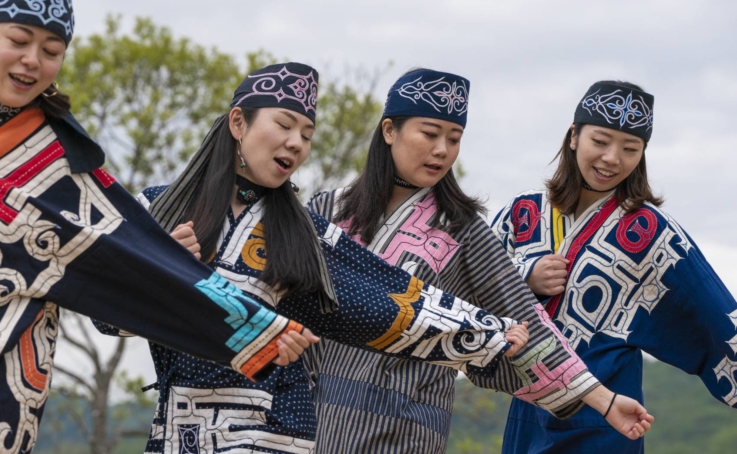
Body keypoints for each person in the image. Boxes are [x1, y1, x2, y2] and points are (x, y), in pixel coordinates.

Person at [0, 0, 316, 453]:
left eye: (51, 51)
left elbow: (140, 262)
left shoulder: (64, 164)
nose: (31, 61)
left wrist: (260, 330)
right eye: (18, 41)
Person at [96, 62, 539, 454]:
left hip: (273, 431)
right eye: (285, 125)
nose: (296, 143)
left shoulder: (303, 230)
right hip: (177, 431)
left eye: (306, 135)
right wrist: (160, 271)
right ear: (238, 122)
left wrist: (486, 334)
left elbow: (382, 300)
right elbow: (105, 314)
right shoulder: (155, 210)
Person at [306, 68, 653, 453]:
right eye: (430, 133)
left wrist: (603, 400)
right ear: (390, 130)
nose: (442, 150)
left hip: (406, 425)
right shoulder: (324, 211)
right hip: (316, 417)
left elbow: (529, 321)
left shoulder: (463, 231)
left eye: (454, 139)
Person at [491, 80, 737, 453]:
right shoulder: (522, 214)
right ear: (573, 136)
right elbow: (464, 284)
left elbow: (714, 315)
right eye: (600, 141)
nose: (612, 158)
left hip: (608, 418)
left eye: (630, 148)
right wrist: (525, 274)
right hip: (526, 412)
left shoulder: (652, 233)